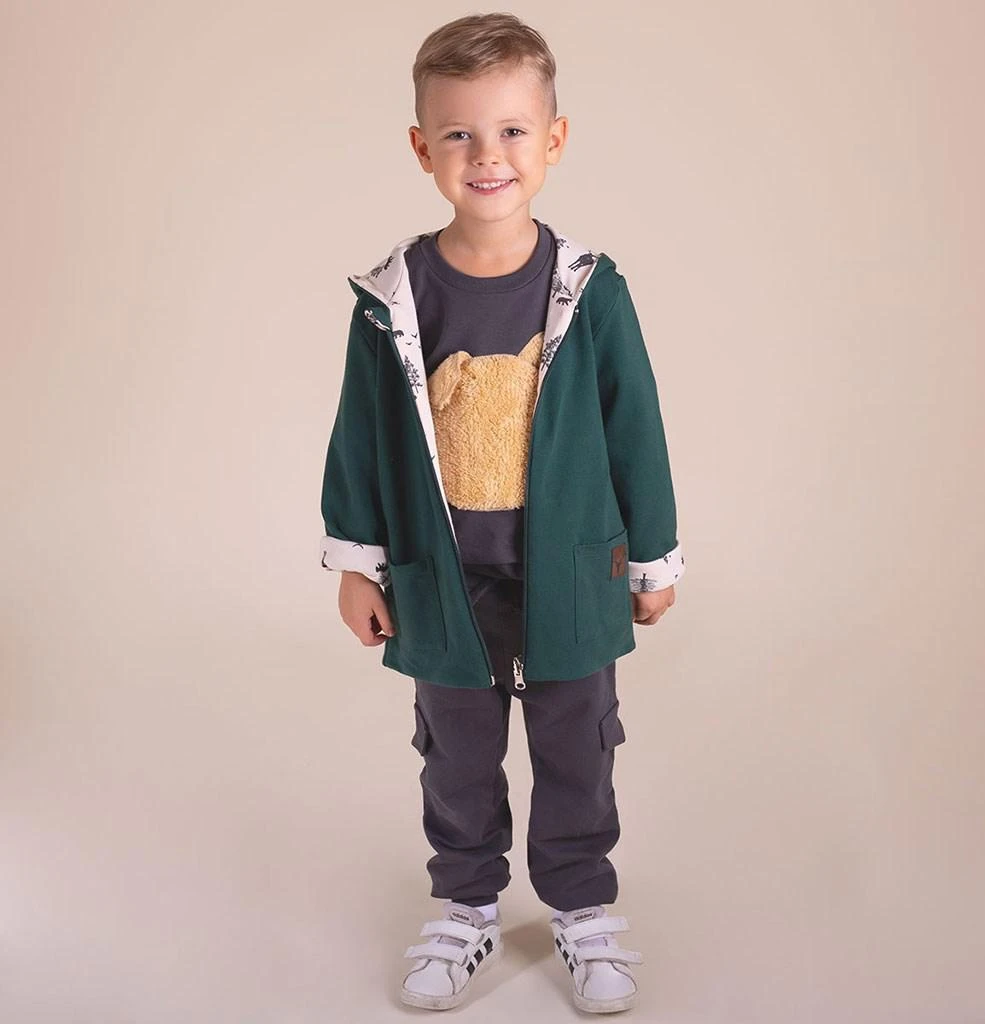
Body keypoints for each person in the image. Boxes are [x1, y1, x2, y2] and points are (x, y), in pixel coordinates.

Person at [318, 12, 683, 1014]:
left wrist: (651, 561)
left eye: (513, 131)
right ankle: (467, 903)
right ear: (421, 148)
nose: (488, 156)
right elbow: (359, 435)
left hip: (570, 573)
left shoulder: (589, 290)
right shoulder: (392, 297)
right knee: (456, 753)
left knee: (578, 745)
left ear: (553, 140)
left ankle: (581, 906)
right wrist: (357, 565)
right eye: (460, 134)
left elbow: (636, 429)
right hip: (443, 582)